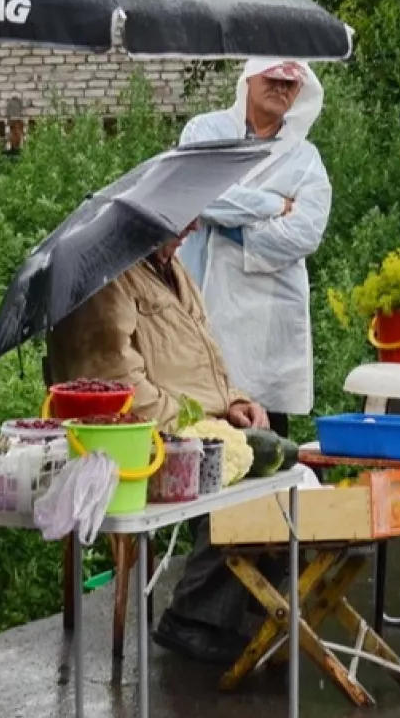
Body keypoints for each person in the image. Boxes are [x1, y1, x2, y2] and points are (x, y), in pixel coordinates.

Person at [48, 232, 271, 665]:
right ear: (148, 224)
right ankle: (192, 619)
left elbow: (206, 359)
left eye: (189, 228)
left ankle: (251, 610)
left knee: (279, 470)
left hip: (196, 417)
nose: (184, 238)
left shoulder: (171, 269)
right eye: (177, 230)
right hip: (139, 435)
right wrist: (195, 424)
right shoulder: (106, 280)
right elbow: (118, 384)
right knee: (234, 478)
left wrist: (234, 402)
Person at [179, 59, 331, 437]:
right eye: (273, 78)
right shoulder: (204, 131)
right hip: (205, 295)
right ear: (250, 76)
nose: (282, 88)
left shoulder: (306, 158)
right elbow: (197, 196)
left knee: (269, 439)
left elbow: (305, 234)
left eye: (291, 84)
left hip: (269, 316)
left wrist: (235, 232)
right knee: (206, 425)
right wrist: (275, 205)